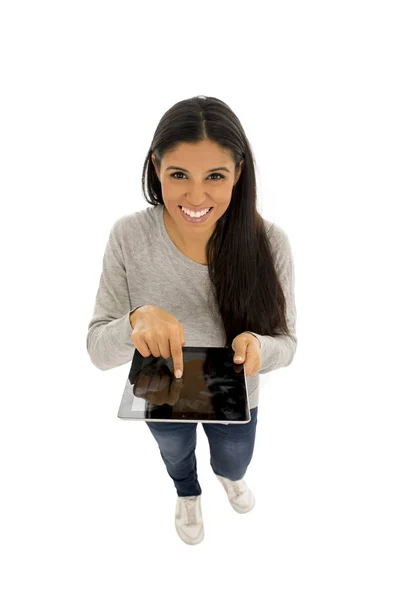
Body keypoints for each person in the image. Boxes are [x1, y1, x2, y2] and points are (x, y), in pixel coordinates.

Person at [86, 95, 297, 545]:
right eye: (178, 175)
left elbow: (287, 342)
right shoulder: (129, 235)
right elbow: (98, 350)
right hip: (161, 388)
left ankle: (228, 478)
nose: (196, 197)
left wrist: (260, 346)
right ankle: (187, 493)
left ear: (238, 174)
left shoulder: (271, 242)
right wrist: (135, 321)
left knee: (235, 459)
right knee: (176, 453)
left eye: (215, 177)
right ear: (156, 166)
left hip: (236, 394)